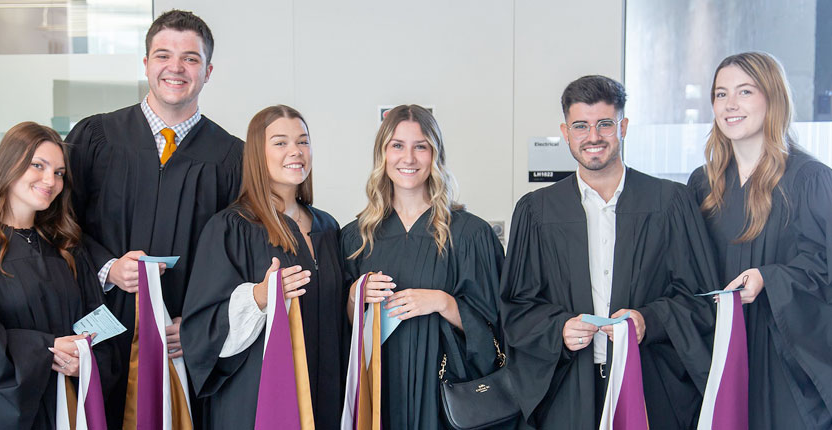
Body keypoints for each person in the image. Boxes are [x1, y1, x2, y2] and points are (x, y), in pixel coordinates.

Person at [500, 75, 718, 429]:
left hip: (649, 385)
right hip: (568, 389)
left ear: (623, 127)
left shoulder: (669, 202)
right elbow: (517, 308)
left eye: (604, 124)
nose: (593, 136)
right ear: (566, 131)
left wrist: (650, 320)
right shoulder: (537, 211)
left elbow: (700, 299)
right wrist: (559, 329)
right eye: (581, 126)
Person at [65, 9, 243, 426]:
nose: (175, 68)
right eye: (163, 55)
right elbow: (59, 224)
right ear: (146, 63)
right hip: (101, 333)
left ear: (208, 71)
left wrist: (202, 324)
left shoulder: (232, 158)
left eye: (191, 58)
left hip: (183, 347)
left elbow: (240, 257)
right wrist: (108, 268)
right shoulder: (95, 138)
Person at [688, 52, 832, 429]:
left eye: (745, 91)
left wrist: (769, 277)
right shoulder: (703, 185)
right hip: (719, 352)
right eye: (721, 94)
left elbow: (824, 270)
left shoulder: (810, 180)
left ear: (773, 98)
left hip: (785, 360)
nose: (730, 104)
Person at [341, 104, 506, 429]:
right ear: (382, 154)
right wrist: (354, 296)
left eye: (421, 147)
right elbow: (344, 332)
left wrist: (443, 303)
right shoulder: (356, 237)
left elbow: (499, 328)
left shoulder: (470, 234)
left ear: (435, 155)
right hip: (380, 388)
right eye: (397, 146)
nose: (409, 158)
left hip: (445, 393)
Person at [180, 105, 346, 429]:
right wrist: (259, 296)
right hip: (254, 401)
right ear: (258, 153)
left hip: (323, 395)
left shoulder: (328, 227)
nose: (295, 151)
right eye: (281, 142)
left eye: (303, 141)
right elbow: (201, 331)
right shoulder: (232, 227)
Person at [0, 122, 110, 429]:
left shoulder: (68, 248)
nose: (50, 180)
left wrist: (87, 360)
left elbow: (99, 328)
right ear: (9, 165)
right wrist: (46, 349)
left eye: (59, 172)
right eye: (38, 165)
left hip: (70, 407)